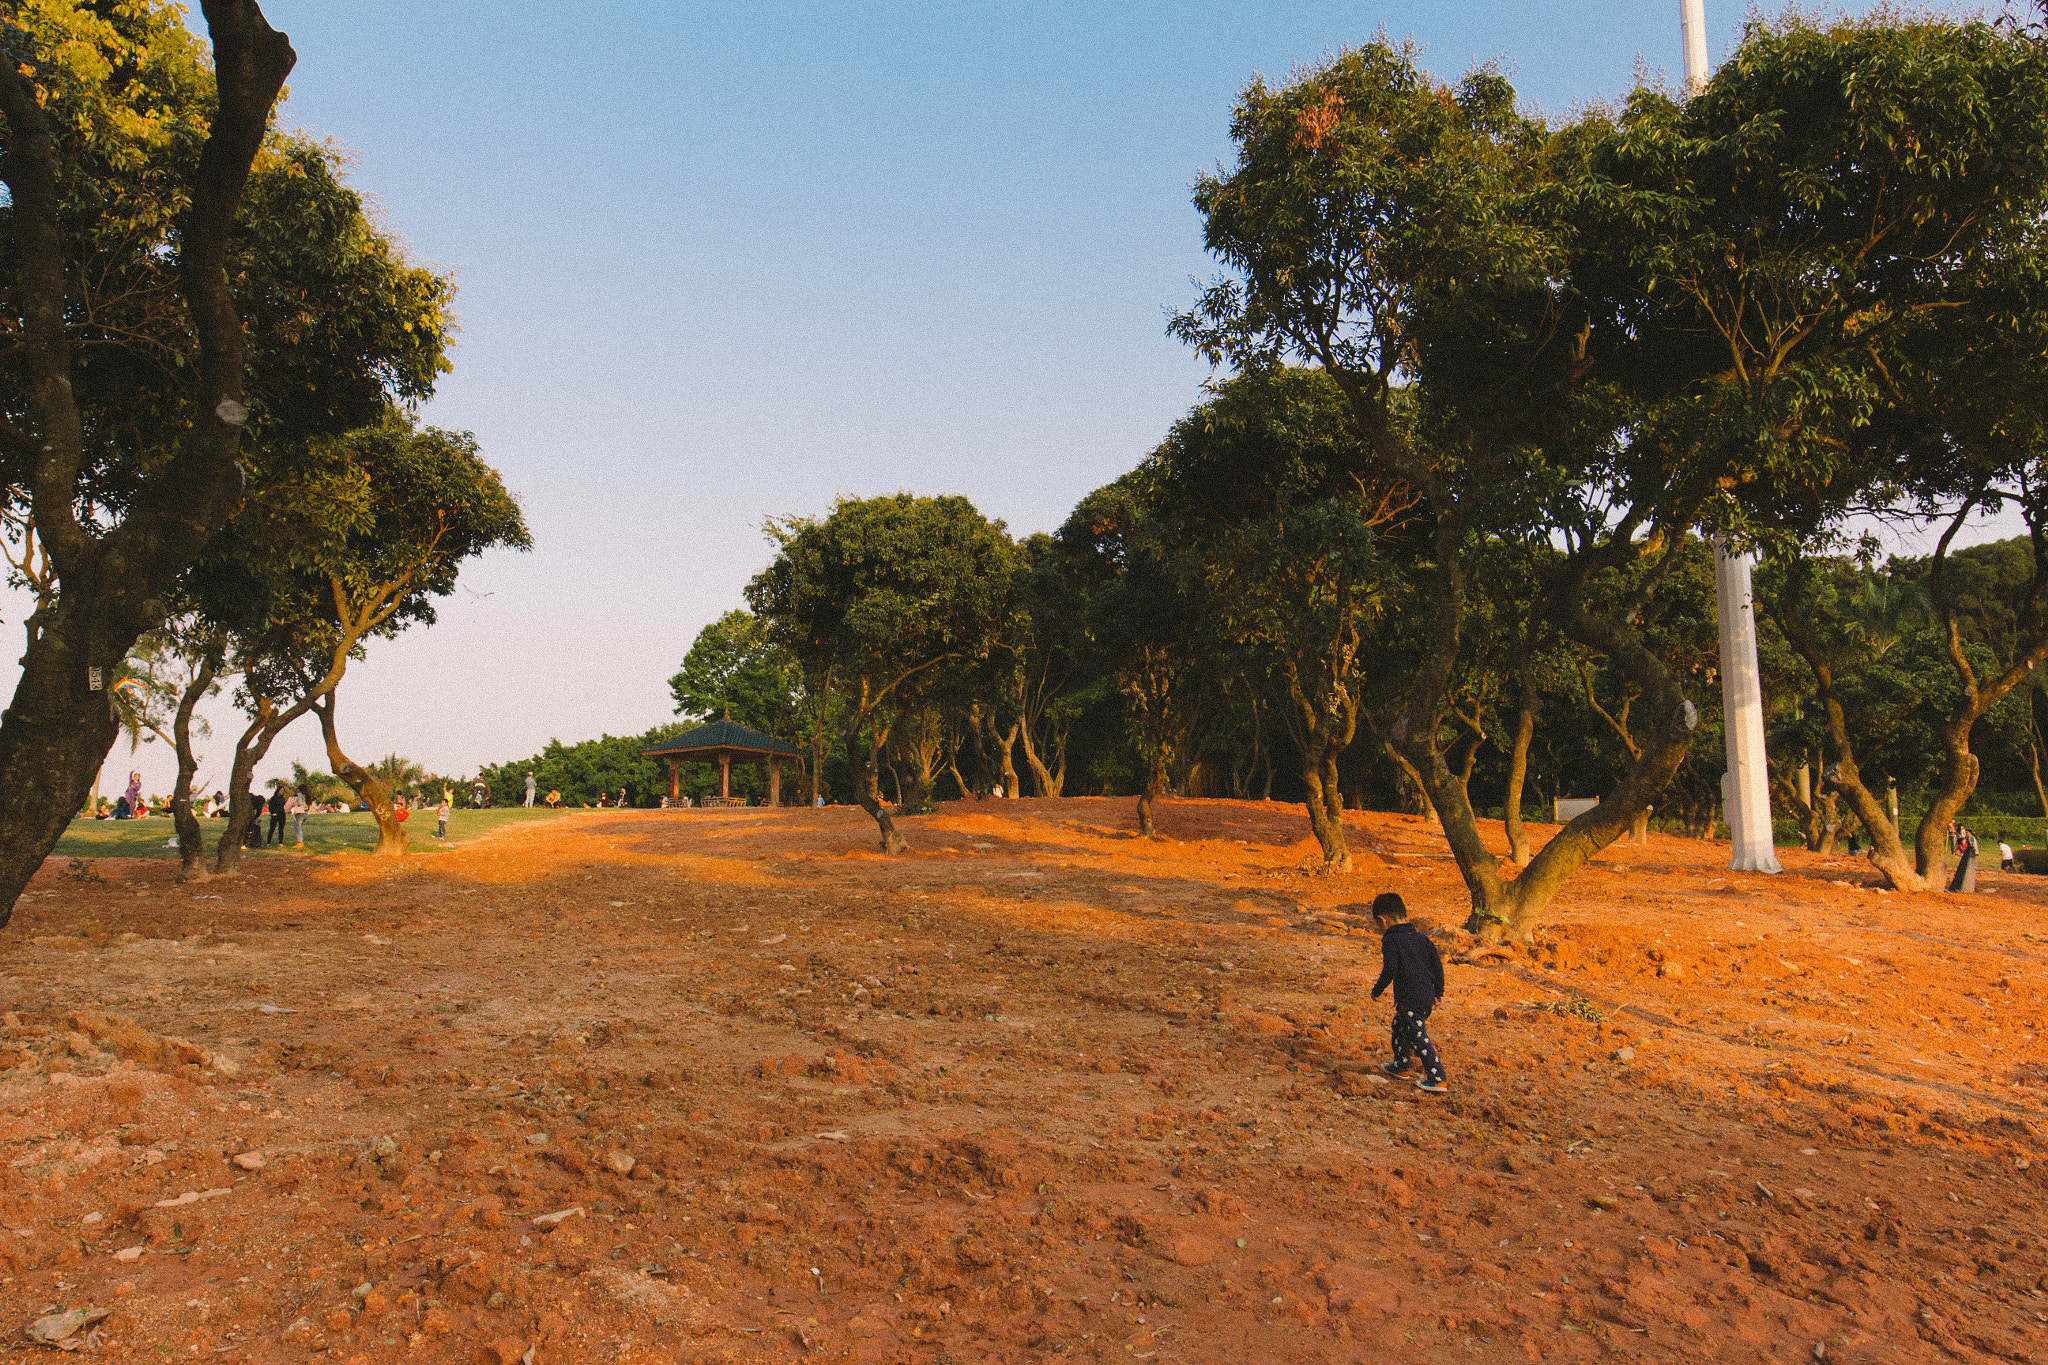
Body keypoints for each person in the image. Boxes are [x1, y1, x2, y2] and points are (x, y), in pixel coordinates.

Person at [1369, 892, 1448, 1094]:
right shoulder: (1422, 938)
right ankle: (1401, 1066)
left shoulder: (1391, 941)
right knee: (1400, 1026)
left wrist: (1377, 990)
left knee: (1418, 1036)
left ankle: (1437, 1078)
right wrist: (1438, 991)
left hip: (1410, 999)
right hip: (1425, 996)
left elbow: (1390, 969)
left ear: (1382, 920)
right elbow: (1437, 966)